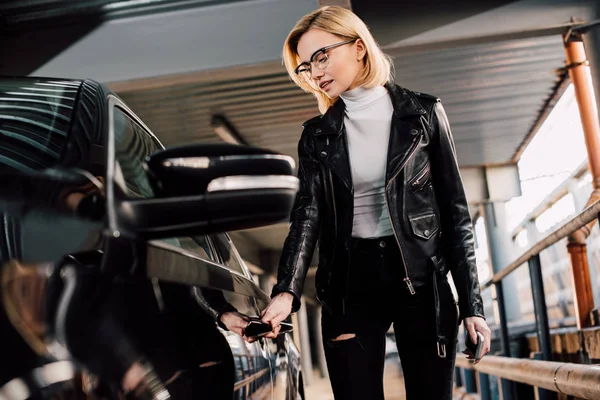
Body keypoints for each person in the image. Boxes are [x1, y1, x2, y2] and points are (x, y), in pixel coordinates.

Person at [257, 6, 492, 400]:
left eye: (321, 56)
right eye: (304, 67)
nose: (315, 73)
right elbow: (307, 216)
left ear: (359, 48)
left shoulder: (423, 114)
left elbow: (455, 214)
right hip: (350, 283)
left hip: (420, 279)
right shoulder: (317, 135)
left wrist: (473, 306)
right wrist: (286, 291)